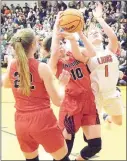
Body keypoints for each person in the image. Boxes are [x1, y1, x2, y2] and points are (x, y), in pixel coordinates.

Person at [2, 28, 72, 161]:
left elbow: (6, 84)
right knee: (62, 157)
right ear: (33, 45)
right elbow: (58, 101)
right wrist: (63, 84)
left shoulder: (12, 64)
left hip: (21, 121)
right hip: (42, 120)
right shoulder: (42, 67)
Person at [49, 12, 102, 160]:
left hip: (88, 102)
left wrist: (79, 34)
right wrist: (56, 27)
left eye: (61, 44)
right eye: (57, 45)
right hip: (71, 105)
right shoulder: (54, 65)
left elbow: (92, 52)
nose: (60, 47)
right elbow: (54, 50)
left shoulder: (76, 55)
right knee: (64, 152)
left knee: (95, 145)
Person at [72, 2, 123, 126]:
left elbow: (113, 38)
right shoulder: (87, 54)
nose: (94, 32)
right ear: (87, 39)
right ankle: (101, 115)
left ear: (102, 35)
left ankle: (106, 116)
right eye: (91, 32)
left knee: (118, 122)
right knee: (93, 125)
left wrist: (99, 18)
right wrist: (77, 35)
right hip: (96, 95)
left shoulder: (109, 49)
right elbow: (76, 52)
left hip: (111, 92)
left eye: (96, 31)